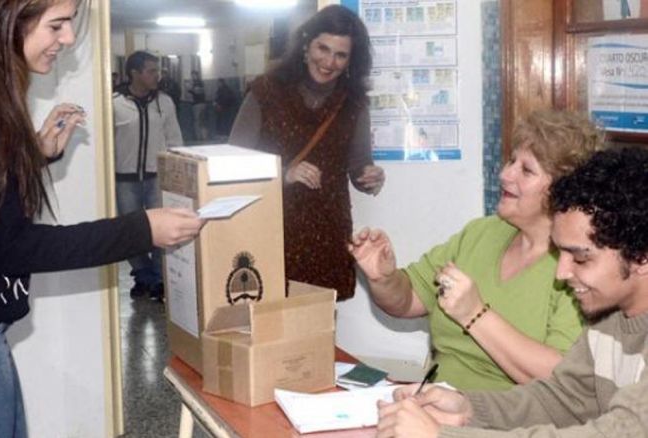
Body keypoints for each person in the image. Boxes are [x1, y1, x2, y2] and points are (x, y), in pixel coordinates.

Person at [0, 1, 205, 437]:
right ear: (8, 17)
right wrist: (141, 228)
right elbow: (14, 246)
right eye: (57, 25)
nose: (66, 39)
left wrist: (32, 154)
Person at [377, 145, 648, 438]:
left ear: (641, 257)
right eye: (561, 254)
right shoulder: (610, 320)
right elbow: (561, 400)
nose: (562, 272)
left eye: (581, 258)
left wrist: (442, 436)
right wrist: (468, 408)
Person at [350, 110, 603, 390]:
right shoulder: (481, 233)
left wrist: (475, 314)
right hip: (435, 406)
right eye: (511, 161)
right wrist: (383, 278)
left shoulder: (578, 268)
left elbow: (561, 381)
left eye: (526, 170)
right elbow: (407, 300)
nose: (505, 174)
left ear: (562, 189)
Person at [229, 5, 385, 301]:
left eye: (341, 55)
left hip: (327, 230)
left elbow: (359, 166)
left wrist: (371, 177)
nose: (329, 61)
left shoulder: (353, 104)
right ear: (305, 45)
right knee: (268, 320)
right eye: (322, 48)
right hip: (270, 225)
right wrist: (284, 173)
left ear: (352, 60)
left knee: (319, 325)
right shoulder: (266, 91)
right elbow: (233, 164)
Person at [113, 51, 183, 301]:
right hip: (125, 179)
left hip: (157, 178)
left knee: (160, 230)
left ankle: (159, 280)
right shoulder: (115, 103)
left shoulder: (164, 103)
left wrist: (177, 173)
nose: (157, 76)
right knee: (132, 231)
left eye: (158, 71)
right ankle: (143, 277)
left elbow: (175, 139)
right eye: (151, 71)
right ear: (134, 73)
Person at [188, 70, 207, 141]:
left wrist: (190, 89)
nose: (192, 77)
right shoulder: (201, 82)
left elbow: (195, 91)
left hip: (197, 104)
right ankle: (204, 136)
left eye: (193, 75)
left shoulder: (196, 83)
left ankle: (199, 137)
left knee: (197, 120)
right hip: (203, 103)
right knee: (202, 120)